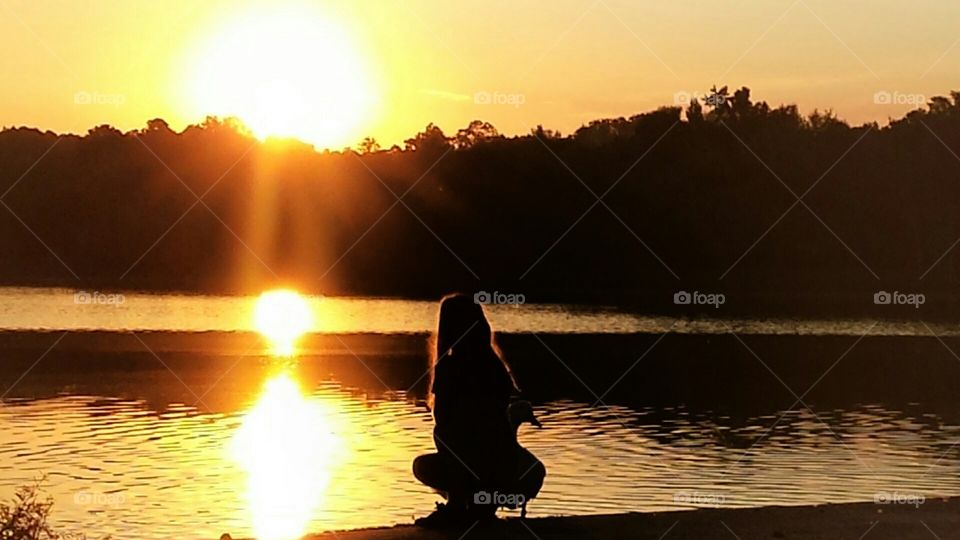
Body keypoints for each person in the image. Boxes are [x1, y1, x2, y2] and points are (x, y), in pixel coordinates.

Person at [412, 293, 539, 527]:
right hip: (507, 469)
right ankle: (482, 507)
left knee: (426, 461)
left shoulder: (450, 368)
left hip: (479, 469)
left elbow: (444, 426)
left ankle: (458, 505)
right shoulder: (495, 366)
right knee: (482, 446)